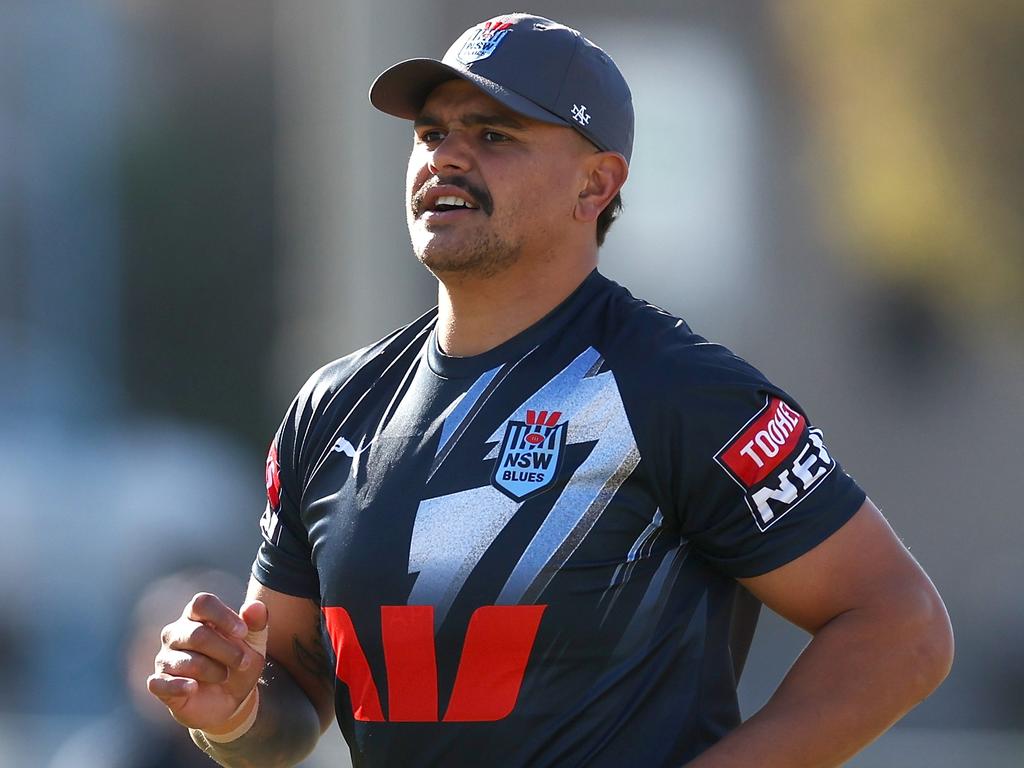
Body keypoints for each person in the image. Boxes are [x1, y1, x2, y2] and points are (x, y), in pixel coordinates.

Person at [148, 13, 953, 768]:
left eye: (492, 134)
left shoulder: (676, 386)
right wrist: (232, 713)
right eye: (432, 132)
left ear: (595, 186)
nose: (445, 157)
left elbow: (900, 628)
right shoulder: (332, 408)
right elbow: (291, 707)